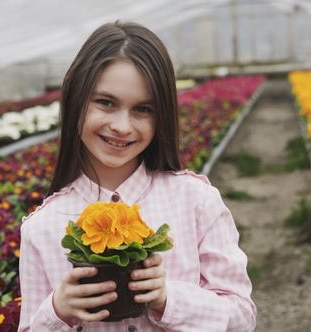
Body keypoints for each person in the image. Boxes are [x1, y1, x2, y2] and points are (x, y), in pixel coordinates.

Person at [18, 20, 256, 331]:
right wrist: (58, 310)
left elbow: (242, 318)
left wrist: (168, 298)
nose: (122, 126)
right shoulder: (42, 227)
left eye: (142, 109)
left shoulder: (196, 201)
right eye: (105, 102)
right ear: (75, 101)